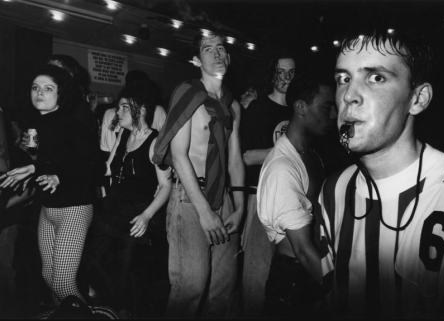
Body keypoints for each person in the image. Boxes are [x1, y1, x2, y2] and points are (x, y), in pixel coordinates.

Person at [319, 29, 444, 318]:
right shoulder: (333, 190)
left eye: (376, 77)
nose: (349, 96)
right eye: (343, 79)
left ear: (418, 99)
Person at [152, 30, 245, 318]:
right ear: (196, 60)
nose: (216, 53)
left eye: (221, 48)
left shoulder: (233, 106)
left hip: (225, 198)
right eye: (208, 49)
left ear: (228, 57)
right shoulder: (188, 93)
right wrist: (205, 211)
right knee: (190, 289)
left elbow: (235, 161)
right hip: (190, 200)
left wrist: (241, 207)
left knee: (222, 290)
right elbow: (178, 156)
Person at [0, 64, 101, 306]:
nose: (39, 93)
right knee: (48, 275)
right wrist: (31, 163)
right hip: (49, 209)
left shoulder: (72, 122)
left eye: (47, 88)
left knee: (64, 281)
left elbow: (94, 164)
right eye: (35, 88)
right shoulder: (37, 123)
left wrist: (56, 175)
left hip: (74, 208)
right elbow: (47, 161)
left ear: (60, 94)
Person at [84, 79, 172, 317]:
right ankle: (110, 309)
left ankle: (124, 312)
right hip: (112, 211)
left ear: (141, 111)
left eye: (124, 107)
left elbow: (166, 186)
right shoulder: (123, 134)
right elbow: (109, 169)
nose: (118, 111)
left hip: (137, 215)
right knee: (93, 262)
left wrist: (146, 216)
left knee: (126, 275)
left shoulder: (156, 141)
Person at [256, 74, 335, 318]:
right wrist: (339, 290)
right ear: (300, 107)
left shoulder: (310, 154)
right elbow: (301, 248)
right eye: (326, 107)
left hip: (313, 272)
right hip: (294, 280)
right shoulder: (282, 168)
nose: (333, 115)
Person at [239, 52, 296, 317]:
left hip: (294, 200)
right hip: (260, 196)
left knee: (287, 273)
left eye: (291, 72)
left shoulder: (300, 110)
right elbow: (247, 157)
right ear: (272, 74)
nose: (286, 77)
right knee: (256, 272)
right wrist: (289, 149)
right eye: (281, 71)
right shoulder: (258, 108)